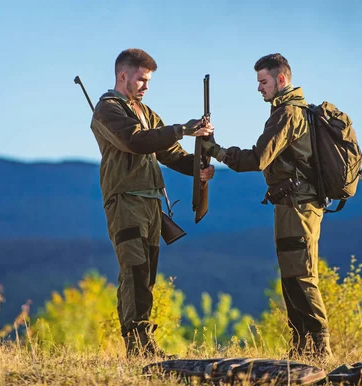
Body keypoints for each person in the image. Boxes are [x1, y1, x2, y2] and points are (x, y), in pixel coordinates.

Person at [202, 53, 333, 359]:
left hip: (299, 206)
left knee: (301, 276)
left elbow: (258, 159)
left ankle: (321, 348)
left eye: (263, 81)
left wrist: (217, 151)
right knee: (292, 276)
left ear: (281, 79)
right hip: (291, 205)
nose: (259, 88)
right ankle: (301, 347)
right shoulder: (289, 112)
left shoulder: (287, 113)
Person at [89, 48, 215, 357]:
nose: (146, 86)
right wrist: (182, 130)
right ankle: (139, 348)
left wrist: (198, 166)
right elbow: (135, 140)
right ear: (123, 75)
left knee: (146, 277)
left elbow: (169, 152)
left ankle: (144, 345)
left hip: (151, 203)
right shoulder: (107, 109)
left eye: (149, 81)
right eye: (142, 79)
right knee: (134, 272)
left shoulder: (146, 113)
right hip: (125, 201)